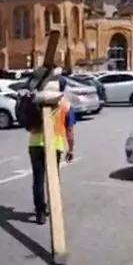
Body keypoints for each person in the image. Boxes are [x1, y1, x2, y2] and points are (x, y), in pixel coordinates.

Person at [28, 76, 76, 225]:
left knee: (38, 179)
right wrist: (71, 149)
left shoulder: (38, 101)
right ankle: (53, 208)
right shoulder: (65, 105)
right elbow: (69, 130)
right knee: (52, 179)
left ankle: (40, 212)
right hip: (55, 145)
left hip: (35, 144)